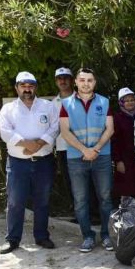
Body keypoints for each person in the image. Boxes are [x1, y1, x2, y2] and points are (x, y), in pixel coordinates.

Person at [0, 72, 59, 254]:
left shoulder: (48, 106)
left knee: (42, 201)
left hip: (43, 162)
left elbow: (55, 127)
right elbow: (5, 132)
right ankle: (12, 240)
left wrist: (38, 144)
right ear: (16, 88)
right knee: (16, 202)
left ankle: (41, 237)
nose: (27, 89)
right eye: (23, 85)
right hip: (18, 163)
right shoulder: (8, 109)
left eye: (30, 85)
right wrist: (27, 143)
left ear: (35, 87)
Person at [59, 68, 115, 253]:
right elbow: (65, 132)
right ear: (76, 81)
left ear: (95, 83)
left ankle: (107, 235)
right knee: (81, 200)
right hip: (77, 158)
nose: (86, 83)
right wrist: (84, 150)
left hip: (102, 156)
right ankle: (88, 237)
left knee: (106, 198)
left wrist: (96, 149)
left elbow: (110, 129)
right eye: (82, 80)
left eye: (90, 80)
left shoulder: (104, 101)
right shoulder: (66, 104)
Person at [111, 87, 135, 204]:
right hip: (125, 161)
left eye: (131, 100)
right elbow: (114, 141)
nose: (130, 102)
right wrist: (118, 161)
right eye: (126, 100)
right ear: (121, 103)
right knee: (127, 192)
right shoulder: (117, 118)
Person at [52, 67, 74, 209]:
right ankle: (76, 211)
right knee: (69, 180)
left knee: (87, 181)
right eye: (60, 78)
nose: (63, 81)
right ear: (56, 82)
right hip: (63, 148)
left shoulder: (81, 98)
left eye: (66, 78)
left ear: (72, 80)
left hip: (83, 147)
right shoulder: (53, 103)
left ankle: (92, 213)